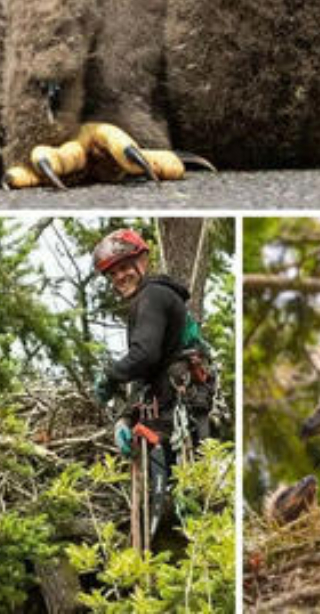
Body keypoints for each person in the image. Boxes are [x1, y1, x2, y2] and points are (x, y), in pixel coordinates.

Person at [91, 228, 215, 542]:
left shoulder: (153, 296)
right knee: (165, 503)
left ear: (143, 260)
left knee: (182, 503)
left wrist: (110, 375)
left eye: (124, 267)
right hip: (166, 408)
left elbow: (144, 355)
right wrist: (126, 417)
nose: (119, 276)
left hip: (181, 412)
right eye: (113, 272)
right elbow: (149, 375)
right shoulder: (147, 302)